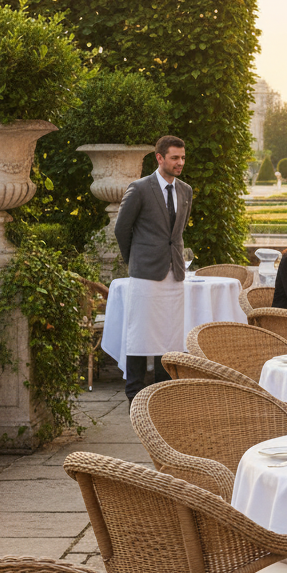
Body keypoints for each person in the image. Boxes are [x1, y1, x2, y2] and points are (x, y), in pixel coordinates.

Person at [114, 134, 192, 404]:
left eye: (182, 158)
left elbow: (177, 232)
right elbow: (122, 229)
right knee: (140, 334)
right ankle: (134, 395)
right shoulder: (139, 189)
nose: (180, 162)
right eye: (174, 157)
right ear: (159, 158)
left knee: (170, 335)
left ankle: (163, 394)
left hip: (175, 274)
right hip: (145, 274)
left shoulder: (186, 191)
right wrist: (135, 260)